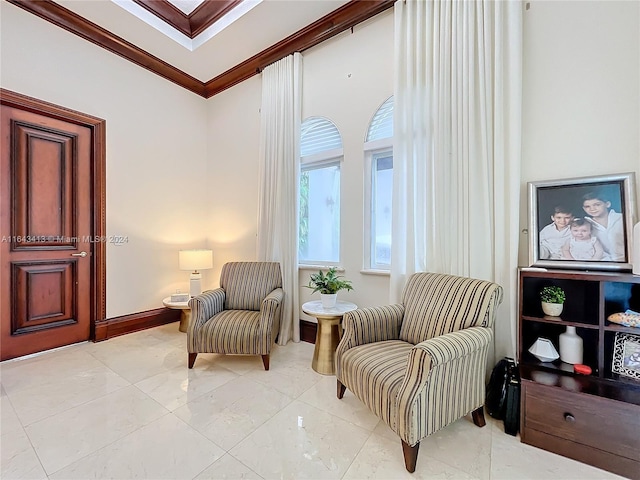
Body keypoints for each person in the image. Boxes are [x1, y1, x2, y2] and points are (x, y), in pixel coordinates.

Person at [581, 191, 625, 261]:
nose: (592, 209)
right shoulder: (584, 225)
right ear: (584, 209)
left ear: (607, 204)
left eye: (597, 205)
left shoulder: (622, 218)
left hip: (627, 261)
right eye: (587, 206)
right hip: (601, 263)